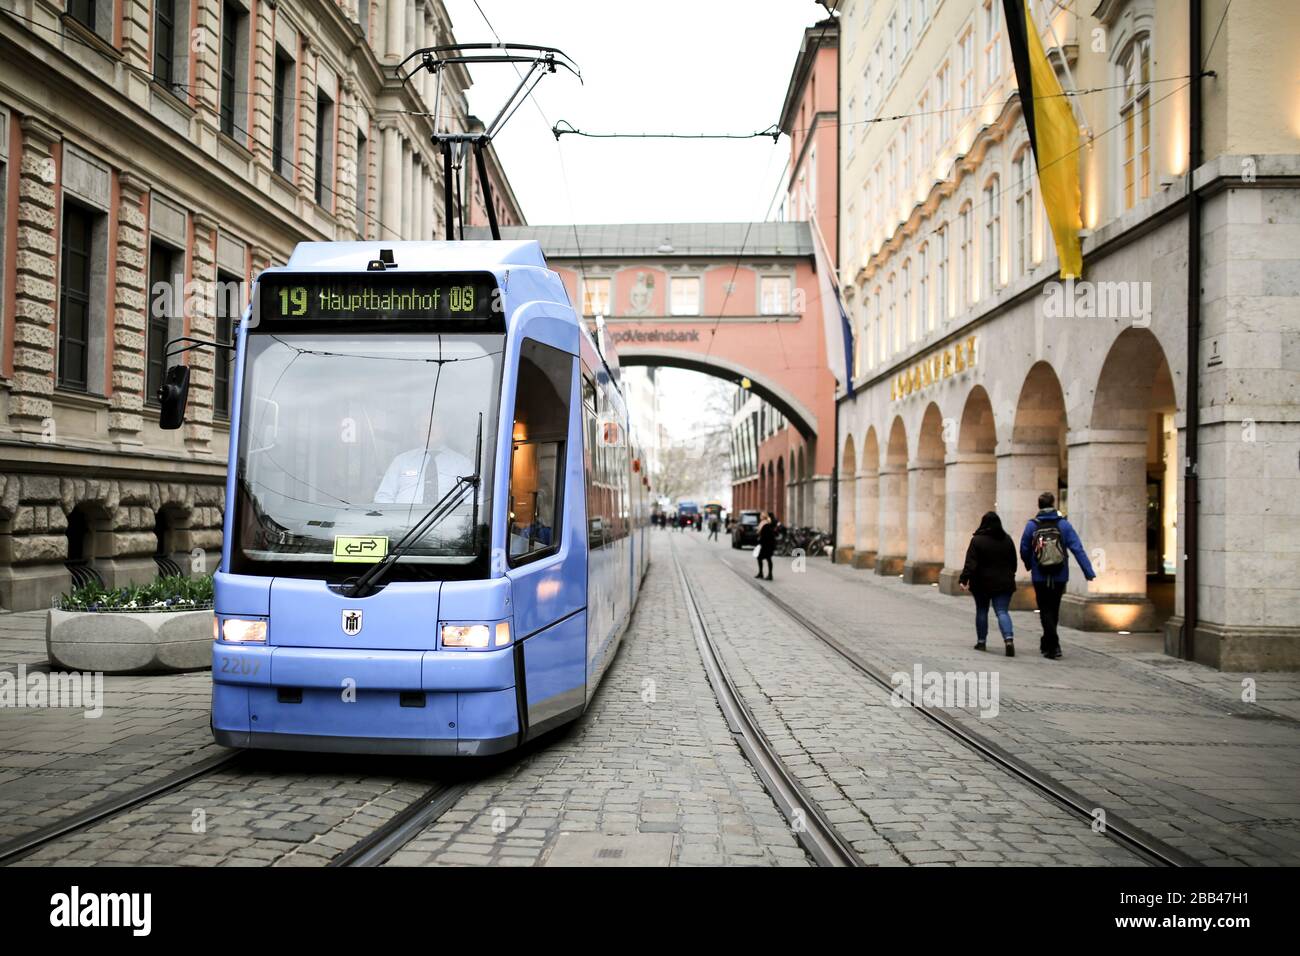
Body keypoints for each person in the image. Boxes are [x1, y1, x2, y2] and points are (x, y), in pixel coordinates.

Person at [1019, 492, 1096, 659]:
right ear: (1054, 505)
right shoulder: (1064, 525)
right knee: (1053, 609)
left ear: (1039, 505)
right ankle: (1050, 644)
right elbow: (1077, 548)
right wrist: (1088, 571)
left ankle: (1051, 644)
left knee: (1044, 609)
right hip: (1060, 574)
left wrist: (1028, 564)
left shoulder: (1031, 526)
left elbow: (1024, 548)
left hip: (1039, 575)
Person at [959, 511, 1018, 656]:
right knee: (1002, 611)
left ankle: (981, 641)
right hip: (1004, 583)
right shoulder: (1007, 540)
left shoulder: (977, 540)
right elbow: (1014, 563)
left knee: (982, 610)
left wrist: (964, 579)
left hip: (981, 583)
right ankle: (1008, 639)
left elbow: (970, 563)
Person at [755, 511, 777, 581]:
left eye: (761, 515)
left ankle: (767, 574)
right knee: (766, 559)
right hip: (767, 544)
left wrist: (760, 541)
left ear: (763, 517)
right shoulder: (765, 524)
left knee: (763, 558)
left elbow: (765, 536)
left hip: (766, 545)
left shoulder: (765, 524)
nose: (760, 516)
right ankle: (764, 573)